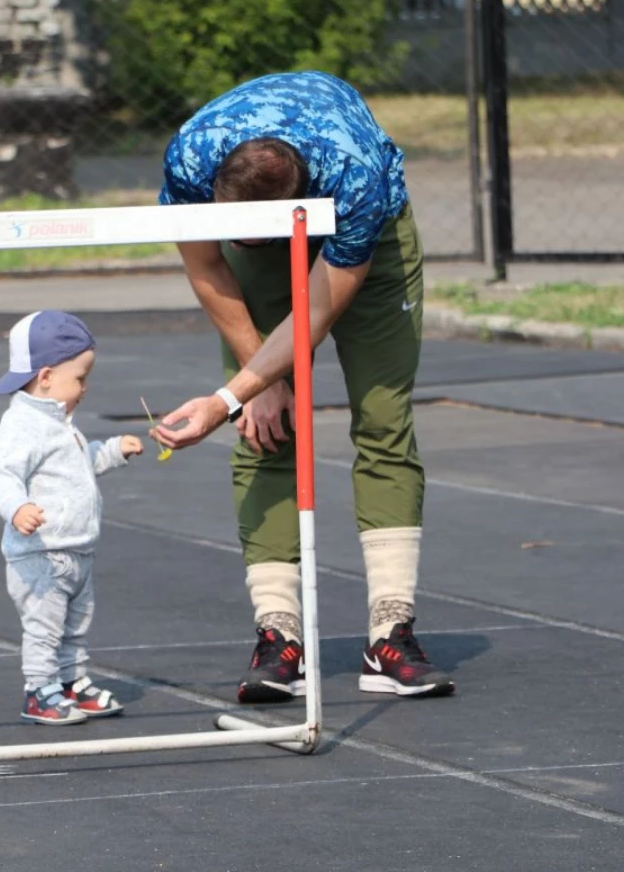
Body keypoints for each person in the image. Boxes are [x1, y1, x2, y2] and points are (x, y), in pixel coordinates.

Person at [153, 70, 454, 703]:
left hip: (365, 236)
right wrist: (256, 384)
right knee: (267, 429)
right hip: (273, 223)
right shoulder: (189, 156)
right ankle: (277, 637)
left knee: (382, 419)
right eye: (227, 222)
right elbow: (206, 264)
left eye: (250, 232)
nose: (235, 238)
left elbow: (317, 315)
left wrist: (226, 395)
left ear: (293, 198)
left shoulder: (354, 177)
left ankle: (390, 633)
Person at [0, 309, 143, 725]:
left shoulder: (60, 422)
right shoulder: (22, 426)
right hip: (40, 555)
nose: (85, 388)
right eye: (79, 378)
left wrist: (112, 451)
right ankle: (39, 690)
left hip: (76, 550)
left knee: (75, 625)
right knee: (45, 627)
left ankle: (71, 682)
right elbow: (4, 477)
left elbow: (77, 465)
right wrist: (18, 508)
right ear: (45, 377)